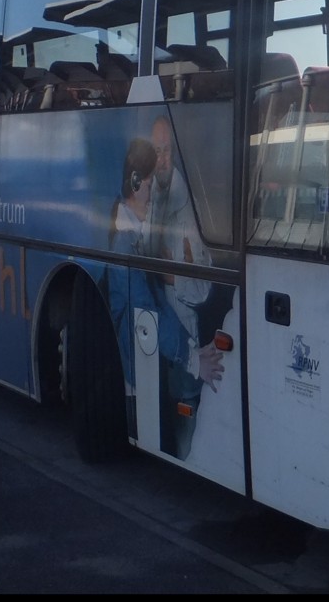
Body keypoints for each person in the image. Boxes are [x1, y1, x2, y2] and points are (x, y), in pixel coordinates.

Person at [107, 134, 223, 460]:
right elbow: (147, 310)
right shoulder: (124, 244)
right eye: (148, 189)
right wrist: (192, 358)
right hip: (136, 379)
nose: (152, 200)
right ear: (135, 182)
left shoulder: (132, 233)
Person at [147, 115, 218, 460]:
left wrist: (168, 275)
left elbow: (202, 288)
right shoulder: (151, 193)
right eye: (155, 150)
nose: (161, 158)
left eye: (166, 150)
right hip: (159, 334)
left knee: (184, 425)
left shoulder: (185, 206)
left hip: (183, 339)